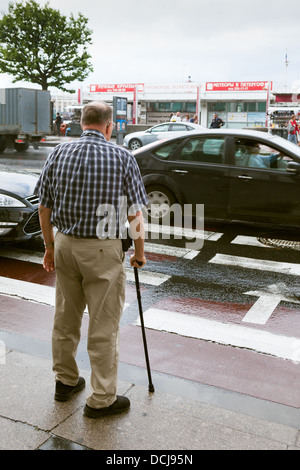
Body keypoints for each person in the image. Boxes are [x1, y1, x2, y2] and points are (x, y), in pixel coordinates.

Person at [34, 101, 148, 418]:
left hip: (65, 245)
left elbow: (44, 207)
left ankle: (66, 382)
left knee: (65, 317)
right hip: (102, 250)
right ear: (109, 126)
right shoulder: (122, 157)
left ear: (81, 122)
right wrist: (139, 252)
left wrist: (49, 246)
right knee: (103, 324)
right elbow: (135, 213)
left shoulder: (58, 153)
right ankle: (101, 399)